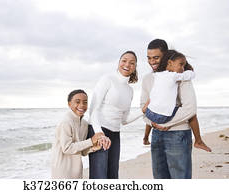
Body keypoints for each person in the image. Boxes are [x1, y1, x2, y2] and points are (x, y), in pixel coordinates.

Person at [140, 39, 210, 179]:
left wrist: (166, 123)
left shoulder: (181, 75)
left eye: (156, 57)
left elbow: (190, 108)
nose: (152, 61)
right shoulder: (147, 79)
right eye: (149, 58)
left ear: (166, 57)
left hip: (178, 135)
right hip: (157, 135)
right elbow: (144, 108)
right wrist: (153, 123)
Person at [87, 51, 143, 179]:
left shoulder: (129, 90)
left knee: (112, 176)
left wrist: (143, 111)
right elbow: (93, 109)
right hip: (99, 130)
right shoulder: (108, 79)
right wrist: (99, 134)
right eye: (124, 60)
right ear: (119, 62)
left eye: (132, 63)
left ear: (135, 67)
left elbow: (124, 119)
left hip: (115, 134)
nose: (127, 64)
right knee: (99, 176)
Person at [51, 89, 110, 179]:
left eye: (85, 102)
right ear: (69, 104)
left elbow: (81, 151)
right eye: (77, 102)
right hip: (62, 171)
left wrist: (93, 148)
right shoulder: (65, 122)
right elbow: (67, 148)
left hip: (77, 172)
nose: (82, 105)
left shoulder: (84, 124)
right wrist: (91, 141)